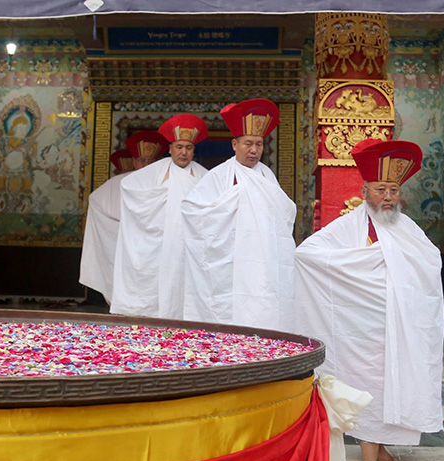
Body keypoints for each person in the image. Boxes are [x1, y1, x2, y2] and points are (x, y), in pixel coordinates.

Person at [294, 139, 444, 461]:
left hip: (401, 329)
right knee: (369, 395)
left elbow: (429, 265)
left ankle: (382, 445)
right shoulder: (347, 227)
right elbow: (307, 254)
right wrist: (361, 271)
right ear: (364, 191)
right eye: (381, 190)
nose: (389, 197)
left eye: (394, 190)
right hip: (361, 332)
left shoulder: (407, 229)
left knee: (395, 386)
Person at [180, 98, 296, 330]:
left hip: (264, 258)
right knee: (229, 312)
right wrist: (226, 216)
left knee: (264, 307)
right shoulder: (219, 175)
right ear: (234, 144)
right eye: (248, 143)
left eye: (259, 144)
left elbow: (284, 215)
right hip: (229, 260)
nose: (254, 150)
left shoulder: (266, 177)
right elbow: (193, 211)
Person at [110, 115, 209, 318]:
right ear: (170, 148)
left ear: (194, 151)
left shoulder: (204, 175)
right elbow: (129, 189)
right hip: (160, 243)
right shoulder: (156, 170)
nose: (183, 152)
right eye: (179, 147)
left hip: (190, 245)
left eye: (188, 148)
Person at [79, 132, 168, 303]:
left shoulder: (166, 184)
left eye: (150, 162)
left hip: (156, 250)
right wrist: (116, 230)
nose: (146, 166)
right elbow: (96, 201)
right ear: (134, 162)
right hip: (127, 248)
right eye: (142, 161)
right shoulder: (119, 183)